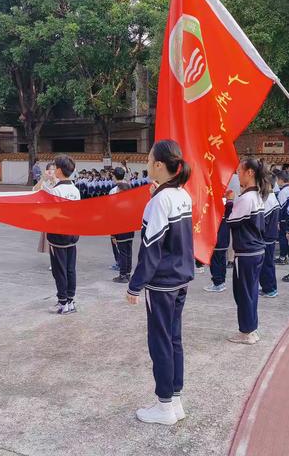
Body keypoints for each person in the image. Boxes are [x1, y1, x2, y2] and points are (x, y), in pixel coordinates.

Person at [126, 140, 193, 426]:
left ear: (158, 165)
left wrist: (135, 284)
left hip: (163, 282)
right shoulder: (181, 195)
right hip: (180, 278)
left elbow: (151, 249)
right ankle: (174, 400)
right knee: (173, 339)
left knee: (160, 342)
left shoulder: (159, 201)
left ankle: (164, 404)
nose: (147, 161)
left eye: (149, 158)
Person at [225, 159, 267, 345]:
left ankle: (247, 332)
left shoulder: (246, 199)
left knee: (244, 293)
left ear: (250, 173)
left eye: (240, 171)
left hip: (247, 253)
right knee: (250, 292)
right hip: (256, 251)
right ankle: (251, 328)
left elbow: (231, 222)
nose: (237, 174)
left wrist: (229, 203)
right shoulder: (257, 195)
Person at [45, 155, 81, 315]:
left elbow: (50, 214)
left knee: (59, 270)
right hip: (72, 234)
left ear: (58, 170)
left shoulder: (56, 190)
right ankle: (71, 300)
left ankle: (62, 302)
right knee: (70, 268)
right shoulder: (75, 190)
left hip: (58, 235)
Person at [110, 167, 135, 283]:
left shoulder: (118, 206)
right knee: (128, 252)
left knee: (123, 252)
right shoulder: (130, 204)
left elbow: (114, 219)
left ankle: (123, 274)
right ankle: (128, 273)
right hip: (130, 231)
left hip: (121, 232)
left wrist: (113, 235)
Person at [33, 162, 58, 267]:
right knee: (50, 240)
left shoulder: (59, 182)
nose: (52, 172)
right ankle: (53, 261)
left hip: (58, 214)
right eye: (50, 170)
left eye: (54, 169)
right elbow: (34, 190)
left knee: (58, 239)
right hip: (48, 215)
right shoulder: (45, 183)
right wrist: (43, 179)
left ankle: (58, 260)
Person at [260, 177, 280, 298]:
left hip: (266, 236)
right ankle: (270, 287)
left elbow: (262, 221)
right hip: (271, 235)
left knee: (266, 264)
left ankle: (269, 289)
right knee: (269, 263)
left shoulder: (268, 200)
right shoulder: (272, 198)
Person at [204, 203, 230, 292]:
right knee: (222, 261)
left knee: (215, 262)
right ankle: (221, 282)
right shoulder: (226, 205)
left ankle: (218, 283)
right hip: (224, 239)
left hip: (216, 240)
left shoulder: (213, 208)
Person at [274, 171, 289, 265]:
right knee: (287, 238)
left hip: (284, 219)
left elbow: (281, 208)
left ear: (280, 180)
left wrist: (279, 221)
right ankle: (285, 255)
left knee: (283, 238)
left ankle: (282, 257)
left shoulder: (282, 192)